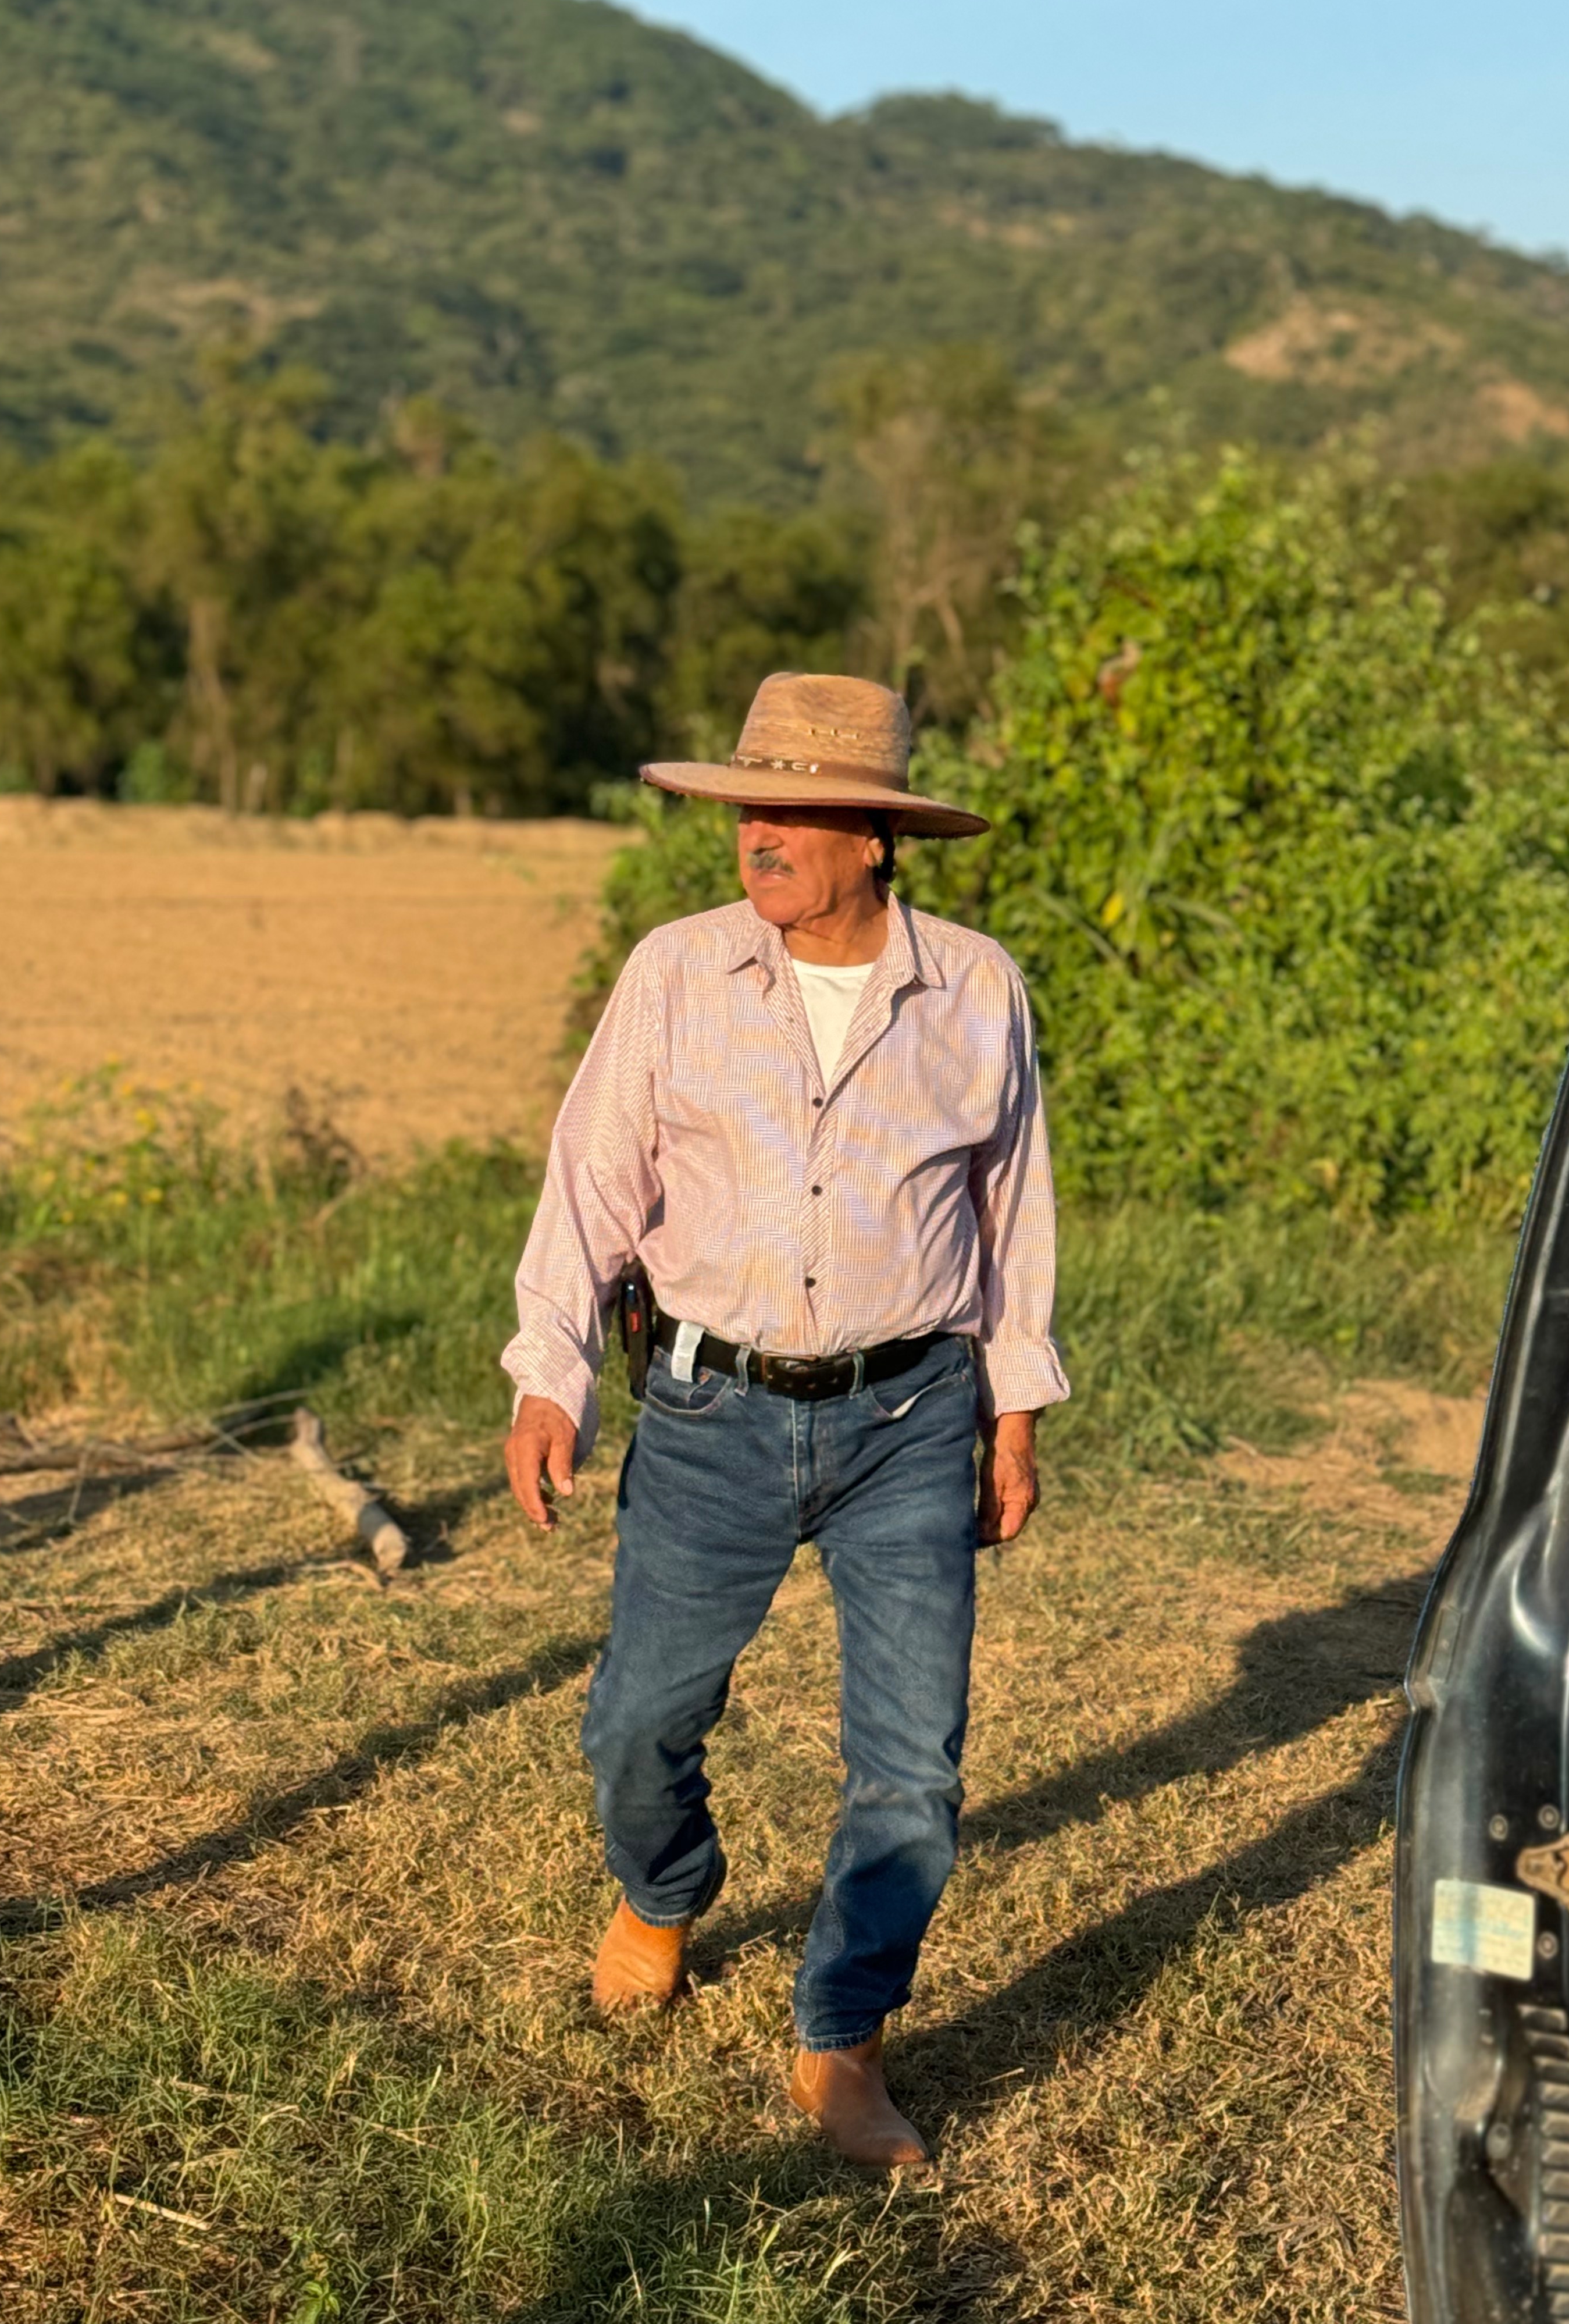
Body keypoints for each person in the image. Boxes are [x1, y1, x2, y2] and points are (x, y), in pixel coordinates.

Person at [502, 671, 1067, 2169]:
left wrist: (1013, 1414)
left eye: (795, 811)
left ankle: (844, 2041)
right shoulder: (677, 972)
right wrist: (551, 1372)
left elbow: (1012, 1211)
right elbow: (592, 1179)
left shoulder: (977, 989)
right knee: (637, 1723)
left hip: (909, 1417)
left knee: (913, 1768)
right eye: (749, 804)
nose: (759, 833)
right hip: (710, 1414)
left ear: (877, 838)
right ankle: (663, 1891)